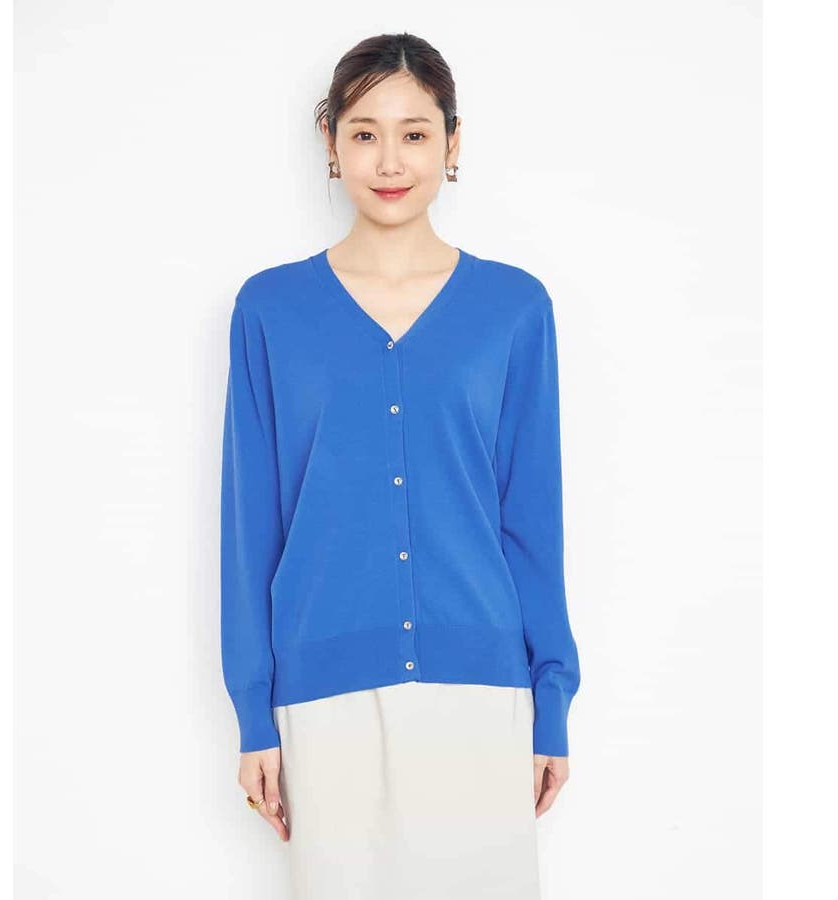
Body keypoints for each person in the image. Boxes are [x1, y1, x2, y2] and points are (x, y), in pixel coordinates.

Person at [220, 31, 581, 900]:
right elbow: (250, 526)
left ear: (452, 143)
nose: (390, 160)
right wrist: (253, 712)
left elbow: (532, 521)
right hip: (324, 697)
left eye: (415, 133)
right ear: (331, 142)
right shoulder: (270, 309)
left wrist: (552, 702)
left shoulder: (513, 308)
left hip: (481, 693)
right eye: (365, 132)